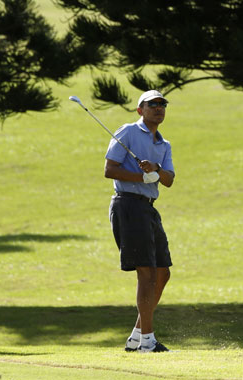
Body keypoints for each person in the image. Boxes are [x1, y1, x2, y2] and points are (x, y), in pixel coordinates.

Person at [105, 90, 175, 353]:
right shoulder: (127, 132)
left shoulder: (163, 145)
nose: (159, 108)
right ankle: (147, 341)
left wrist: (155, 170)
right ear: (140, 110)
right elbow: (109, 169)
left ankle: (137, 336)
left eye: (162, 104)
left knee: (162, 273)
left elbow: (169, 179)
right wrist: (140, 177)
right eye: (152, 104)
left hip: (148, 208)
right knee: (145, 273)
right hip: (128, 204)